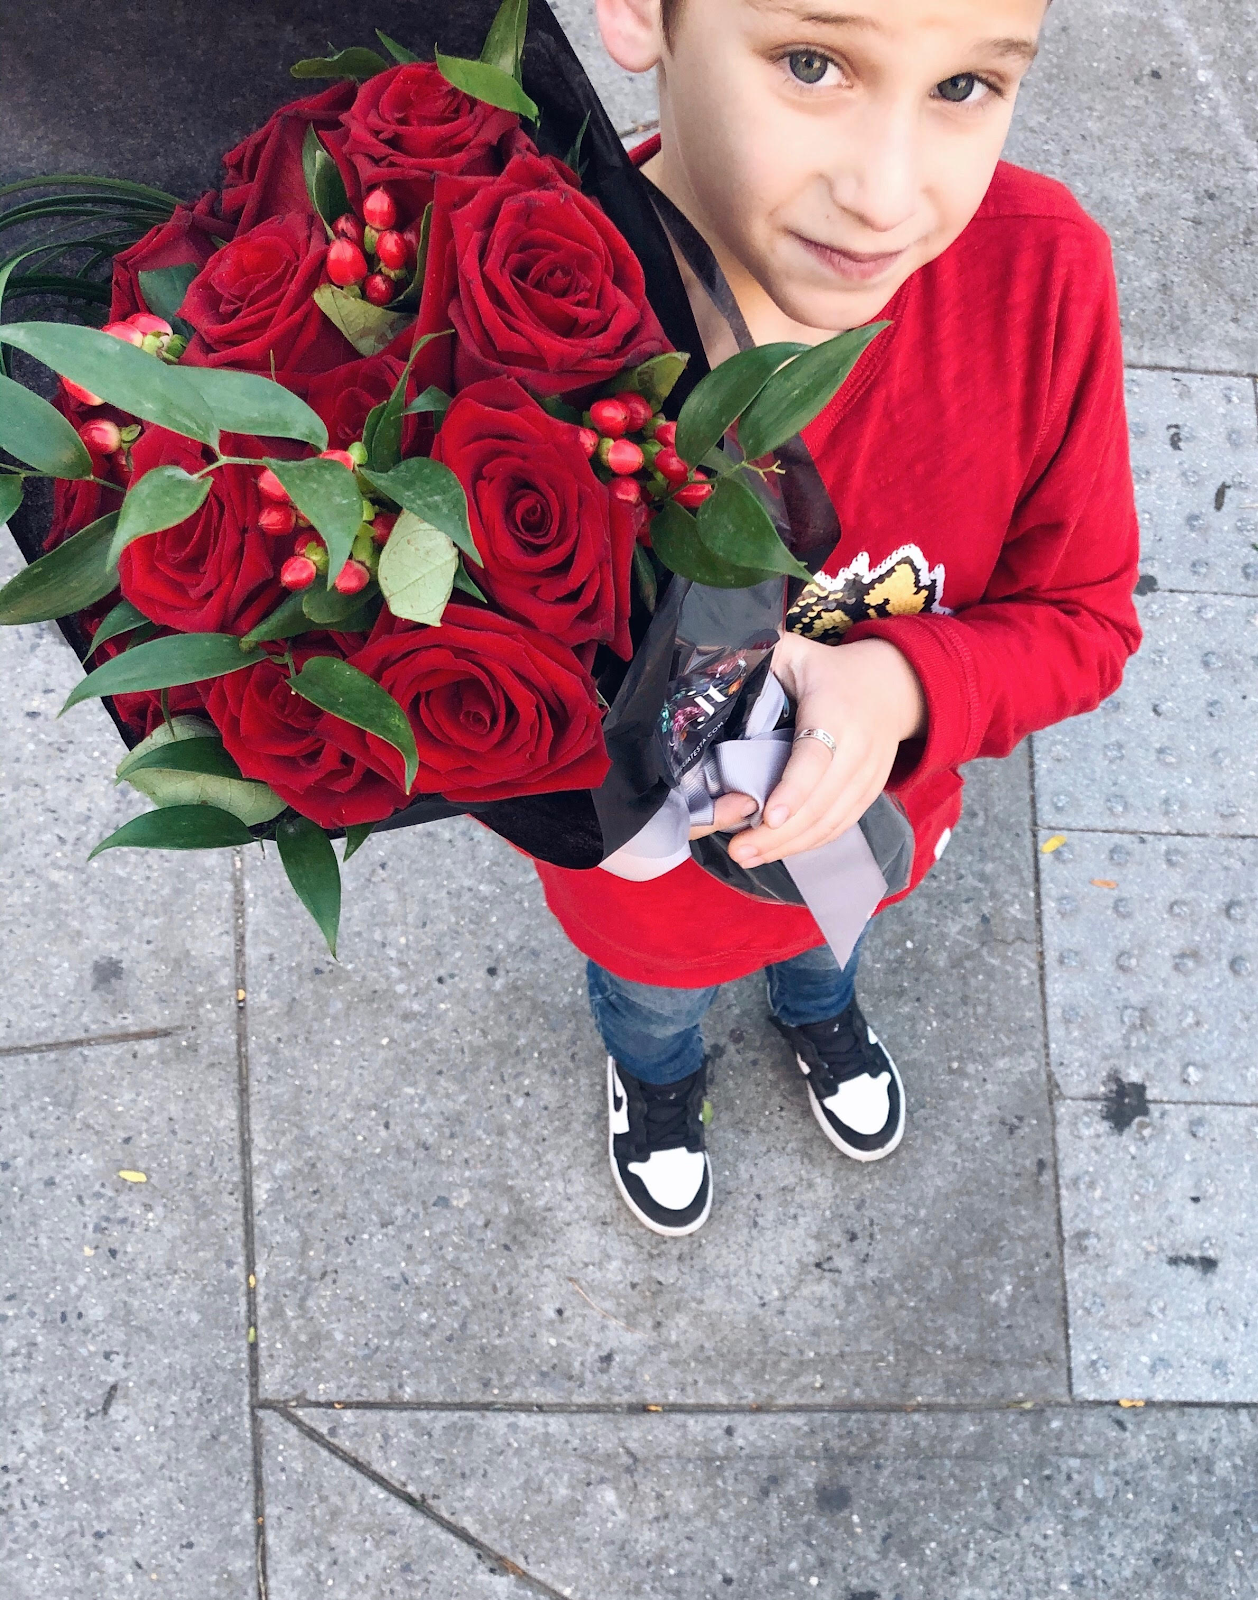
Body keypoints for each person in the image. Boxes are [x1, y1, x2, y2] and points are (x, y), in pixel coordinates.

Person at [534, 0, 1141, 1236]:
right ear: (641, 14)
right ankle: (660, 1081)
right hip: (643, 892)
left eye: (964, 86)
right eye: (811, 64)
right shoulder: (517, 336)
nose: (885, 195)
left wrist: (900, 683)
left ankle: (820, 1013)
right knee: (651, 1002)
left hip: (869, 831)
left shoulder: (1038, 275)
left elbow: (1085, 619)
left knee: (827, 949)